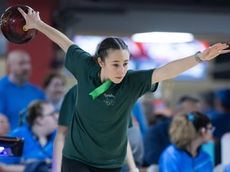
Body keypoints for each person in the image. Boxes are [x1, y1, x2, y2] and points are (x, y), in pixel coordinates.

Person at [18, 7, 230, 172]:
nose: (122, 70)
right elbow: (64, 42)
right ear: (101, 62)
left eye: (126, 63)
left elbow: (167, 71)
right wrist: (38, 23)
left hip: (111, 162)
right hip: (77, 158)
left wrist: (200, 57)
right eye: (116, 64)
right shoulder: (85, 67)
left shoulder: (132, 82)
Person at [52, 85, 139, 172]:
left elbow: (121, 137)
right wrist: (56, 170)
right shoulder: (76, 92)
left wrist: (133, 168)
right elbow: (61, 134)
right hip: (79, 160)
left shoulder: (121, 95)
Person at [0, 100, 57, 172]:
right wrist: (35, 168)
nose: (57, 116)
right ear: (39, 120)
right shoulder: (14, 138)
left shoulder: (58, 136)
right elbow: (1, 166)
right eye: (52, 114)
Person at [0, 50, 45, 130]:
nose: (26, 67)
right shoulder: (1, 88)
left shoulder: (38, 92)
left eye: (28, 63)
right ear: (10, 66)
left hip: (33, 141)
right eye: (21, 63)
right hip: (7, 141)